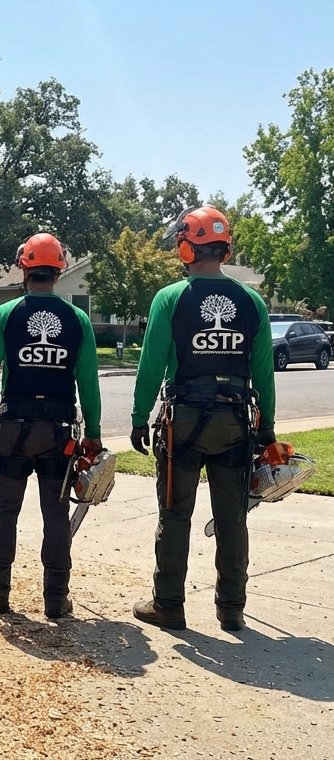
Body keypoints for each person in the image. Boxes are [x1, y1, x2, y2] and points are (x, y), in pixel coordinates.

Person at [129, 206, 276, 633]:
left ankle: (168, 603)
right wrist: (265, 427)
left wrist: (140, 418)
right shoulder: (252, 302)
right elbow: (262, 371)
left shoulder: (170, 298)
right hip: (235, 422)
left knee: (175, 514)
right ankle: (231, 607)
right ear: (224, 250)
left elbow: (151, 364)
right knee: (233, 517)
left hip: (183, 425)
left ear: (185, 248)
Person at [0, 233, 102, 618]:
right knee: (56, 513)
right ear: (59, 270)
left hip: (14, 426)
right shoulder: (77, 320)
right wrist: (92, 432)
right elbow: (88, 383)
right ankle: (56, 599)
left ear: (24, 267)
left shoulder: (5, 315)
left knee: (5, 510)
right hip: (58, 430)